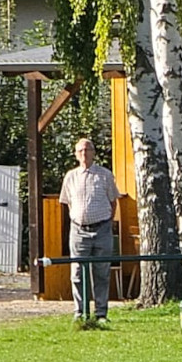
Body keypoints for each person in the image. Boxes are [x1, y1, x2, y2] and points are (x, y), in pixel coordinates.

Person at [59, 137, 125, 324]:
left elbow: (113, 202)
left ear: (93, 153)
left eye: (87, 150)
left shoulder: (104, 175)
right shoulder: (70, 176)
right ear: (75, 154)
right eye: (80, 150)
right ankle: (80, 312)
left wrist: (106, 222)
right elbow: (67, 202)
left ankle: (101, 313)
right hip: (78, 230)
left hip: (102, 228)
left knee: (101, 272)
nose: (84, 154)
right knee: (77, 273)